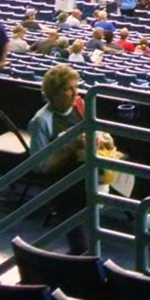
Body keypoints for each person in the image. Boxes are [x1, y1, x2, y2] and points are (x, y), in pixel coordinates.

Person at [24, 63, 92, 251]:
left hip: (85, 176)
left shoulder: (80, 104)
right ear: (53, 93)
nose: (74, 93)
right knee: (79, 243)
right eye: (68, 89)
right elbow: (40, 166)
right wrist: (71, 145)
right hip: (62, 185)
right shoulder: (41, 121)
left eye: (76, 87)